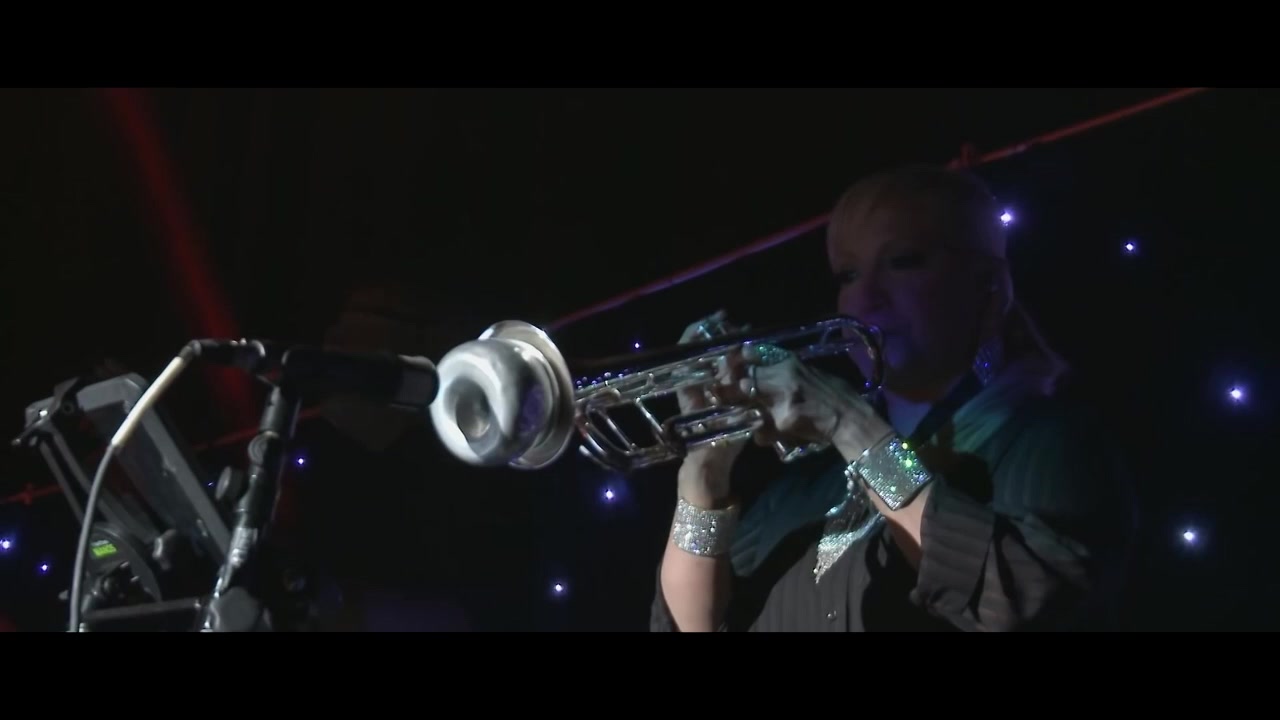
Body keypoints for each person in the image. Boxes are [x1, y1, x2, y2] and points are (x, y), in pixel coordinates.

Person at [650, 163, 1138, 632]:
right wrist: (705, 470)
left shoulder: (1051, 440)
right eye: (848, 275)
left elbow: (1021, 597)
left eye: (903, 261)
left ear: (988, 290)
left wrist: (848, 423)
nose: (867, 298)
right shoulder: (802, 489)